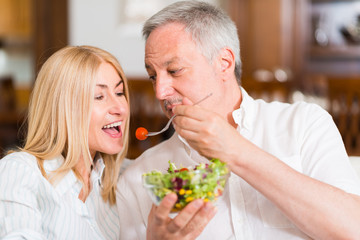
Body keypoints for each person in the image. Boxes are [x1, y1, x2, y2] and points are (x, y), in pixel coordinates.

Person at [116, 1, 360, 239]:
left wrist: (236, 151)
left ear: (224, 63)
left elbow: (353, 228)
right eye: (152, 76)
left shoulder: (304, 124)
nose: (160, 92)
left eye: (174, 71)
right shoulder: (140, 179)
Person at [0, 45, 130, 239]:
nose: (120, 107)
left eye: (120, 93)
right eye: (99, 96)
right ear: (64, 107)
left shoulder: (127, 176)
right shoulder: (20, 171)